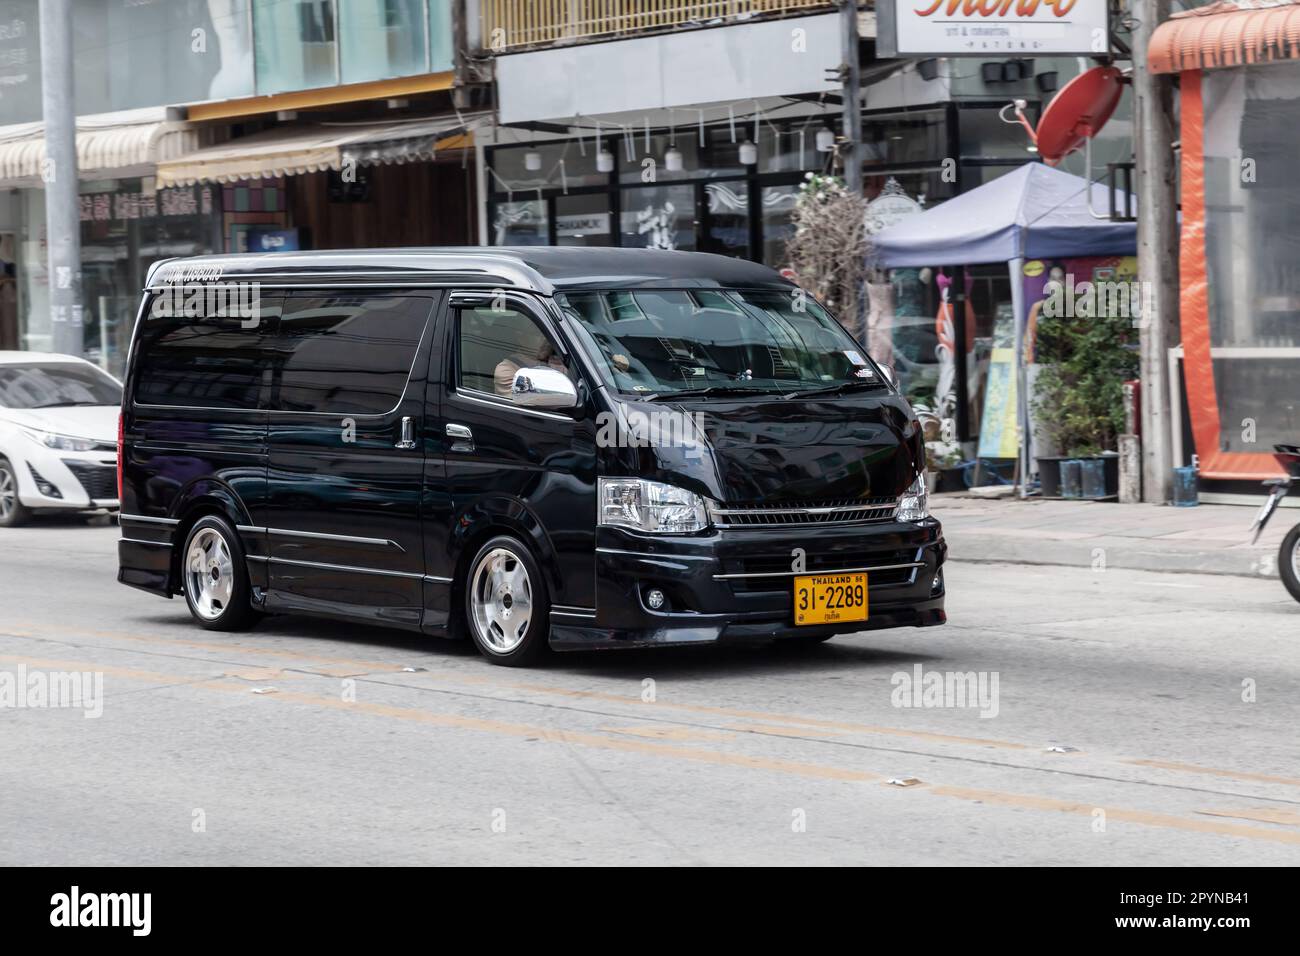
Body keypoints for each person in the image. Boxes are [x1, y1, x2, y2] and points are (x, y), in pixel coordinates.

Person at [494, 331, 568, 398]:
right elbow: (528, 402)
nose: (545, 339)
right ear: (521, 338)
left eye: (547, 334)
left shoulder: (563, 361)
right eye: (537, 334)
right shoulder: (506, 369)